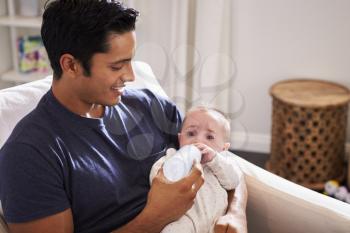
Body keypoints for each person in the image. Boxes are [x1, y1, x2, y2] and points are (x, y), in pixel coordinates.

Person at [0, 0, 247, 233]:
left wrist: (236, 213)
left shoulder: (149, 105)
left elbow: (222, 160)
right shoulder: (29, 155)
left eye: (131, 61)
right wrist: (155, 216)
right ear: (71, 65)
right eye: (117, 66)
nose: (130, 75)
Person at [150, 106, 244, 233]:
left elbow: (233, 182)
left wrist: (215, 159)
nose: (198, 140)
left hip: (215, 224)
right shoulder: (172, 157)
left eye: (209, 137)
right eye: (191, 133)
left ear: (224, 148)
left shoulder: (221, 164)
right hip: (183, 222)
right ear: (180, 139)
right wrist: (177, 165)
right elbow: (156, 179)